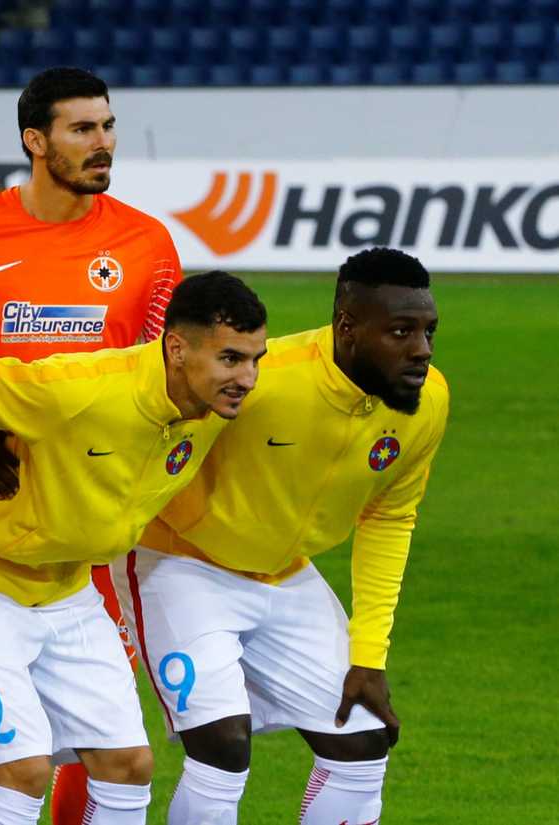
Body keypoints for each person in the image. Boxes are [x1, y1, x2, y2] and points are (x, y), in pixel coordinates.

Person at [0, 66, 182, 825]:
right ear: (36, 140)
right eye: (82, 129)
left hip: (95, 517)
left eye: (108, 125)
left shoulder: (147, 246)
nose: (103, 143)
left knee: (95, 729)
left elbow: (164, 379)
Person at [0, 271, 269, 825]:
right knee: (23, 770)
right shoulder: (84, 388)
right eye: (231, 359)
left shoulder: (213, 405)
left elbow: (317, 361)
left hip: (70, 588)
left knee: (128, 764)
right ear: (175, 349)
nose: (247, 379)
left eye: (256, 359)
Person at [116, 248, 447, 825]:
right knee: (223, 746)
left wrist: (368, 654)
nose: (420, 350)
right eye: (401, 332)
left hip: (286, 571)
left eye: (427, 331)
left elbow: (390, 518)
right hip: (182, 563)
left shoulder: (426, 401)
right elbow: (145, 432)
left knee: (363, 741)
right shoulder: (262, 380)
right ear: (347, 326)